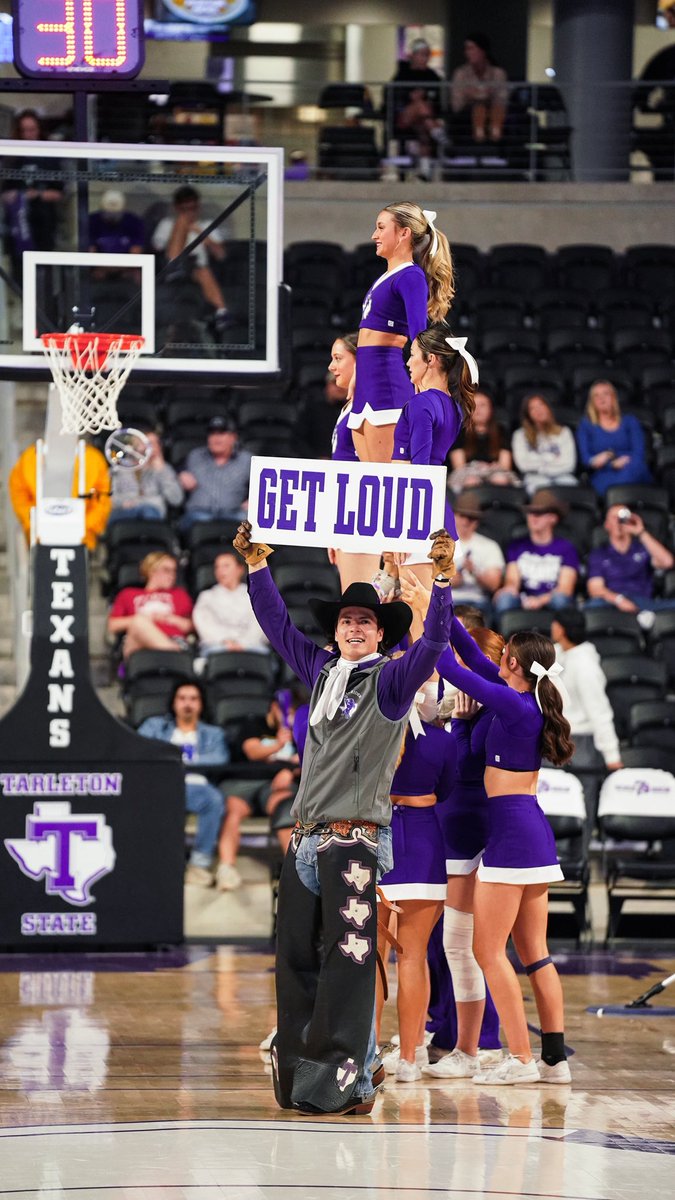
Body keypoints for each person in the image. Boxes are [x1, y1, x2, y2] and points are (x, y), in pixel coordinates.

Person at [233, 519, 455, 1115]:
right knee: (297, 963)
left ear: (380, 633)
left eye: (365, 621)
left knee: (351, 966)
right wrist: (258, 568)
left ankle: (351, 1082)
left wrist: (439, 581)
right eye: (346, 620)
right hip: (304, 842)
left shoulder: (391, 680)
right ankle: (303, 1078)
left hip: (352, 843)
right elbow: (277, 626)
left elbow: (433, 645)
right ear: (335, 631)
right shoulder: (321, 673)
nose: (354, 626)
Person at [434, 616, 574, 1085]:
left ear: (511, 661)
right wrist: (440, 597)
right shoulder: (526, 700)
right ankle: (554, 1061)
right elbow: (472, 657)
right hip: (532, 831)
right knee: (535, 953)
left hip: (511, 836)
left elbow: (456, 672)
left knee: (487, 950)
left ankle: (519, 1059)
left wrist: (424, 633)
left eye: (503, 656)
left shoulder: (513, 706)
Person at [423, 624, 505, 1080]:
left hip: (470, 824)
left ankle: (484, 1041)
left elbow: (464, 765)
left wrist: (457, 721)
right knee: (445, 942)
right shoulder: (463, 706)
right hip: (446, 820)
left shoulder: (491, 706)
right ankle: (451, 1035)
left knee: (466, 942)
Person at [377, 686, 457, 1082]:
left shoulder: (373, 733)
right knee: (413, 956)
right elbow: (447, 789)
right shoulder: (443, 741)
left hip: (376, 837)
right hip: (424, 842)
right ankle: (409, 1059)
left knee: (370, 957)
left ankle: (368, 1052)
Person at [348, 201, 455, 464]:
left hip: (387, 381)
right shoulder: (385, 276)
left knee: (385, 482)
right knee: (366, 478)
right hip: (366, 380)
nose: (374, 235)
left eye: (381, 227)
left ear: (404, 233)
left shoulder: (410, 276)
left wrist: (422, 383)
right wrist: (357, 375)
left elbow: (420, 334)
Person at [138, 680, 231, 889]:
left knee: (213, 799)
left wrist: (176, 758)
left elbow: (220, 758)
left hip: (197, 786)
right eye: (182, 698)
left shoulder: (212, 733)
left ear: (201, 704)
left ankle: (199, 865)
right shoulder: (155, 726)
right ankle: (160, 862)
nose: (187, 704)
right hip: (160, 783)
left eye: (193, 699)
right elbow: (140, 749)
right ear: (173, 702)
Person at [217, 690, 302, 891]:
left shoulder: (300, 730)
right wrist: (279, 744)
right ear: (274, 707)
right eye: (286, 712)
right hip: (245, 782)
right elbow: (252, 751)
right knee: (233, 810)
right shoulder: (253, 724)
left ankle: (297, 872)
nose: (289, 718)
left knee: (286, 807)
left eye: (293, 714)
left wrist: (290, 770)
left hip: (273, 786)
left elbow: (311, 756)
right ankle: (226, 868)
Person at [550, 608, 622, 834]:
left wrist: (612, 756)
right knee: (553, 807)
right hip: (557, 741)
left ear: (561, 629)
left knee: (580, 810)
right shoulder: (561, 653)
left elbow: (600, 711)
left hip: (582, 747)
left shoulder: (585, 665)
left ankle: (579, 863)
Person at [151, 185, 230, 330]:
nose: (189, 213)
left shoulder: (205, 225)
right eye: (184, 209)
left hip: (196, 268)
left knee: (202, 270)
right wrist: (182, 227)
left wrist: (201, 233)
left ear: (198, 207)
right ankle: (177, 267)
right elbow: (158, 248)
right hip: (171, 267)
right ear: (176, 208)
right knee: (181, 223)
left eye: (192, 209)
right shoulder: (167, 224)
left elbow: (221, 255)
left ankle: (221, 312)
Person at [8, 440, 111, 552]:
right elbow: (20, 497)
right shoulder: (29, 458)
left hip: (83, 539)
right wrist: (35, 524)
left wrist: (84, 527)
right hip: (40, 539)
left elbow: (102, 499)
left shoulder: (93, 458)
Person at [493, 489, 579, 618]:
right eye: (531, 512)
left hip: (552, 598)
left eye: (539, 513)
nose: (533, 517)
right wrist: (509, 589)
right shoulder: (517, 545)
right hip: (524, 598)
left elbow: (565, 588)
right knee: (505, 599)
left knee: (560, 600)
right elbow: (512, 581)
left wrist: (540, 600)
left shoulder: (566, 548)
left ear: (553, 518)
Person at [1, 109, 64, 280]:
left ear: (39, 129)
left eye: (32, 129)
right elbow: (3, 193)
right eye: (25, 130)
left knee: (44, 277)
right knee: (19, 274)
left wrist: (36, 194)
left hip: (43, 224)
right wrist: (13, 197)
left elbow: (59, 193)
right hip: (17, 225)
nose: (29, 134)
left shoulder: (50, 156)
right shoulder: (10, 158)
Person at [585, 504, 675, 616]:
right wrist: (619, 600)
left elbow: (667, 562)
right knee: (593, 605)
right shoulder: (599, 554)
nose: (618, 521)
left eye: (622, 517)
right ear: (606, 524)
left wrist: (641, 532)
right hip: (613, 602)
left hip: (643, 601)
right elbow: (595, 589)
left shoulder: (643, 549)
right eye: (614, 517)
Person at [108, 552, 194, 659]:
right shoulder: (128, 594)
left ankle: (171, 653)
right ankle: (175, 657)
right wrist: (146, 618)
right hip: (138, 642)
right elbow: (113, 625)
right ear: (151, 571)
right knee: (138, 622)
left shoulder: (179, 594)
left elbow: (190, 626)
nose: (172, 575)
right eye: (166, 570)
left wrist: (170, 619)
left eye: (174, 571)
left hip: (173, 639)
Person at [576, 380, 652, 497]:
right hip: (602, 472)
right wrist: (610, 464)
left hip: (631, 466)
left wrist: (617, 459)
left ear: (613, 397)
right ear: (592, 402)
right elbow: (586, 459)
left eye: (605, 394)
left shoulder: (630, 421)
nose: (601, 398)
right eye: (596, 396)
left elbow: (638, 453)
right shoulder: (586, 425)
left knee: (635, 469)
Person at [178, 415, 252, 531]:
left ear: (233, 437)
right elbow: (173, 471)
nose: (216, 438)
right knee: (193, 519)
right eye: (212, 433)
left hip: (233, 513)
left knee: (247, 519)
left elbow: (265, 483)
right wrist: (181, 474)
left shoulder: (247, 460)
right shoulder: (195, 456)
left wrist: (255, 501)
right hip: (199, 513)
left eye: (221, 433)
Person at [193, 550, 269, 656]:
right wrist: (225, 641)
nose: (220, 571)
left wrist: (243, 643)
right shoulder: (207, 596)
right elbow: (204, 624)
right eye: (217, 567)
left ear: (240, 569)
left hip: (251, 646)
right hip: (217, 646)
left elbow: (261, 624)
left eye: (226, 566)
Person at [389, 38, 444, 179]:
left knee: (423, 126)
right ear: (413, 55)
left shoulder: (432, 76)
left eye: (427, 55)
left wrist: (424, 96)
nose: (424, 58)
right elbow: (394, 97)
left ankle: (425, 171)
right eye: (421, 54)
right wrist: (412, 97)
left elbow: (438, 98)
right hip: (405, 117)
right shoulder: (402, 74)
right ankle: (437, 131)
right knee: (420, 106)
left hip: (423, 119)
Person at [448, 389, 517, 491]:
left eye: (483, 405)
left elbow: (505, 465)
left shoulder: (502, 432)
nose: (478, 410)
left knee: (500, 479)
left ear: (491, 409)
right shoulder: (459, 432)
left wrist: (488, 468)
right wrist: (477, 468)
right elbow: (459, 466)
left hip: (496, 472)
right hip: (467, 473)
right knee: (471, 481)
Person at [108, 429, 183, 523]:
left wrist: (162, 472)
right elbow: (107, 497)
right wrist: (122, 503)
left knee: (147, 511)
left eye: (157, 443)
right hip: (122, 511)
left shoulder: (164, 469)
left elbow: (176, 499)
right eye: (149, 443)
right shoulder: (120, 467)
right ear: (135, 445)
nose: (155, 447)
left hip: (151, 513)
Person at [450, 492, 505, 619]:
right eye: (462, 516)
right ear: (454, 515)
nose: (466, 521)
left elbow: (494, 584)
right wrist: (447, 580)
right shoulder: (438, 542)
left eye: (471, 518)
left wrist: (474, 572)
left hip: (476, 602)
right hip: (446, 600)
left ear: (478, 521)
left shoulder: (490, 546)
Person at [512, 394, 578, 496]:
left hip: (563, 475)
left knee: (570, 485)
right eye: (533, 408)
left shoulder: (564, 432)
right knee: (541, 488)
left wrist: (539, 465)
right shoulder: (519, 435)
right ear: (528, 414)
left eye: (541, 405)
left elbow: (569, 465)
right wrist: (552, 460)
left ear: (548, 408)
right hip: (534, 478)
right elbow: (523, 465)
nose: (539, 411)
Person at [450, 33, 509, 143]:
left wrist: (483, 96)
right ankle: (479, 137)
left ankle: (495, 137)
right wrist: (473, 97)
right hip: (466, 114)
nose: (468, 53)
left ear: (482, 51)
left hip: (493, 111)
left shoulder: (498, 73)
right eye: (466, 49)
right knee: (479, 109)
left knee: (496, 111)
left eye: (471, 48)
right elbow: (456, 104)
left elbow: (502, 99)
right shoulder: (460, 73)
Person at [89, 189, 144, 255]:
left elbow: (136, 252)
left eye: (116, 213)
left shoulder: (134, 222)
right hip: (99, 263)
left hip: (126, 263)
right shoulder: (93, 221)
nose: (112, 216)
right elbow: (90, 252)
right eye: (109, 213)